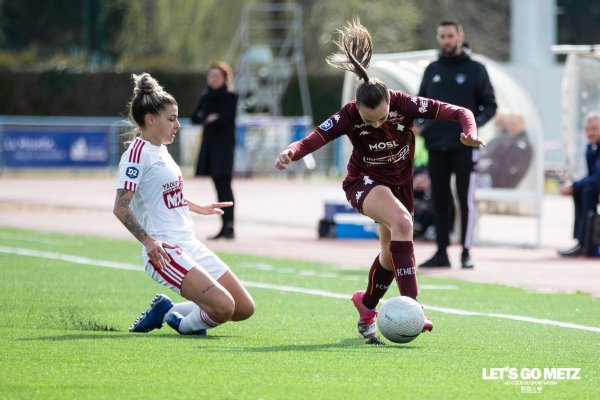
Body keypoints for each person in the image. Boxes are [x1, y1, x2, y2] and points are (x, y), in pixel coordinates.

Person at [274, 20, 485, 344]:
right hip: (364, 180)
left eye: (383, 117)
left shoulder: (406, 103)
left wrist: (470, 133)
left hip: (399, 185)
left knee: (390, 255)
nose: (377, 124)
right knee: (402, 223)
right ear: (357, 108)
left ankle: (367, 303)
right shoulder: (347, 115)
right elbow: (314, 139)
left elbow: (460, 111)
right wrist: (291, 151)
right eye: (369, 120)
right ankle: (414, 308)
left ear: (390, 102)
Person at [113, 73, 254, 336]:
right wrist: (149, 242)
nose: (178, 125)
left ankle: (166, 311)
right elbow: (120, 207)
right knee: (223, 308)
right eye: (172, 118)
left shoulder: (162, 150)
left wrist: (197, 207)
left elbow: (161, 194)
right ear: (150, 119)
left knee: (243, 308)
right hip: (165, 251)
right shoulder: (136, 154)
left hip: (189, 244)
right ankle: (184, 324)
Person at [417, 20, 497, 269]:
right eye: (442, 36)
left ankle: (466, 252)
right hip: (436, 145)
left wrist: (473, 126)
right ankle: (441, 252)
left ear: (460, 36)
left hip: (464, 146)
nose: (446, 40)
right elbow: (421, 104)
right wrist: (421, 125)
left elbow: (490, 105)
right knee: (439, 200)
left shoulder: (475, 69)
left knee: (465, 199)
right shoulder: (432, 70)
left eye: (450, 35)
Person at [190, 61, 238, 239]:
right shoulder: (206, 96)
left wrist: (210, 118)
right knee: (218, 185)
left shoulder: (230, 96)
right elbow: (196, 117)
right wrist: (209, 118)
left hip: (224, 147)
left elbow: (225, 119)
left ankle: (230, 226)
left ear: (225, 78)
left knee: (225, 185)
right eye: (211, 76)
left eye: (217, 76)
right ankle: (224, 226)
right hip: (210, 145)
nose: (214, 79)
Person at [558, 112, 600, 257]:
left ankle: (588, 242)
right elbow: (592, 175)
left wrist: (574, 185)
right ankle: (582, 241)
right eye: (588, 129)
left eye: (594, 129)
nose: (590, 133)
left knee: (587, 189)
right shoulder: (590, 148)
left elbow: (598, 176)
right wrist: (575, 187)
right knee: (582, 190)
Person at [476, 113, 532, 188]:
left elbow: (510, 169)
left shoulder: (521, 145)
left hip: (502, 183)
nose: (511, 127)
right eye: (509, 124)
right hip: (495, 179)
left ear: (522, 125)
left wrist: (491, 168)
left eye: (514, 124)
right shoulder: (506, 140)